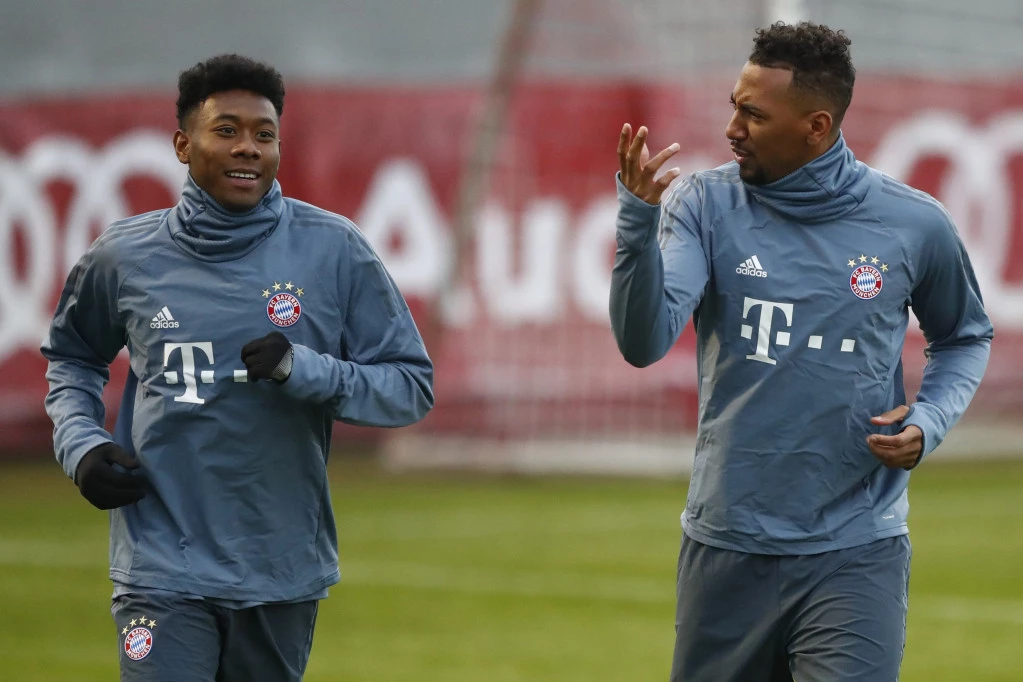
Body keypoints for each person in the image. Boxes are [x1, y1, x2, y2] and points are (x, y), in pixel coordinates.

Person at [611, 22, 992, 682]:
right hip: (726, 545)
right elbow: (642, 343)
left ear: (816, 126)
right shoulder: (702, 206)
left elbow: (963, 336)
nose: (732, 128)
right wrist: (636, 226)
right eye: (734, 105)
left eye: (754, 115)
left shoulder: (913, 223)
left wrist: (929, 420)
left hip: (855, 548)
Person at [42, 54, 434, 682]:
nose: (248, 147)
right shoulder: (124, 255)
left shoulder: (333, 249)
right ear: (182, 145)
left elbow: (410, 386)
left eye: (264, 134)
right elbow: (72, 357)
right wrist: (82, 444)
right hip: (160, 566)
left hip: (279, 569)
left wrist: (303, 369)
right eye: (226, 130)